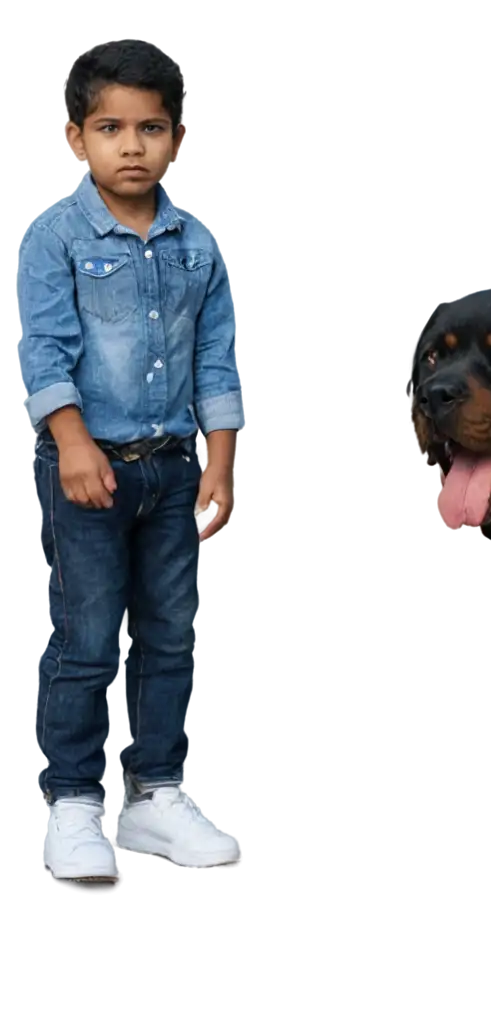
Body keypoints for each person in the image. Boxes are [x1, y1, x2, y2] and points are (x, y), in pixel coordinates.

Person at [18, 39, 243, 883]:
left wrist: (217, 461)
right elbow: (45, 354)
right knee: (91, 636)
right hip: (88, 471)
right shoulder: (57, 237)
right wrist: (73, 443)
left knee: (170, 636)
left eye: (151, 128)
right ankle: (73, 802)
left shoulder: (197, 244)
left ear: (174, 137)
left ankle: (157, 795)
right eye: (111, 127)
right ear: (77, 140)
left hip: (174, 466)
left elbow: (215, 361)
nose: (132, 145)